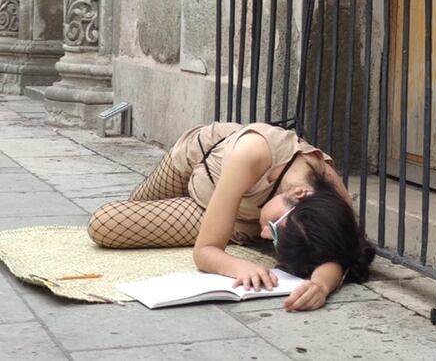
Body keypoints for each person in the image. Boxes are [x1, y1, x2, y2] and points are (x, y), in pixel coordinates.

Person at [87, 122, 374, 311]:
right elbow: (205, 251)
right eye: (275, 229)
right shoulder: (253, 153)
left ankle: (203, 215)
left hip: (216, 213)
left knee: (107, 225)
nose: (264, 236)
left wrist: (320, 286)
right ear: (299, 195)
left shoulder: (332, 205)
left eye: (273, 239)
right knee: (136, 202)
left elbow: (348, 251)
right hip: (196, 165)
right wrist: (240, 267)